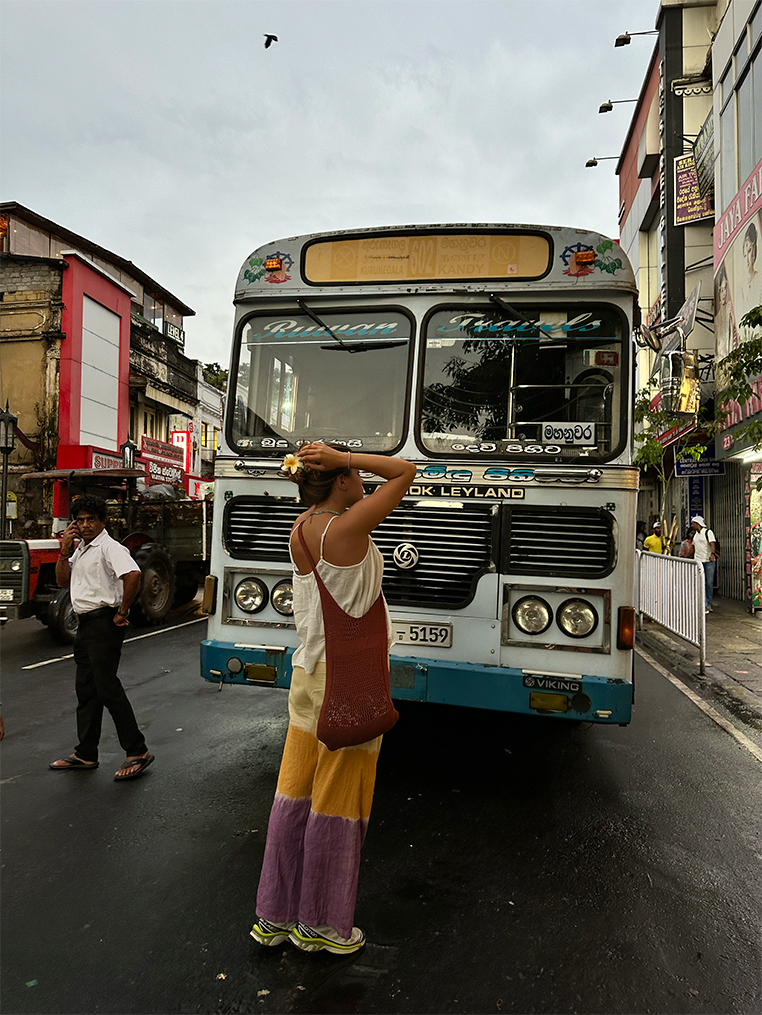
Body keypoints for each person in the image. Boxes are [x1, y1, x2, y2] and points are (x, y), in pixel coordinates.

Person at [250, 442, 416, 955]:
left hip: (310, 674)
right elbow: (406, 471)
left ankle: (274, 916)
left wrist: (341, 460)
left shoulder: (302, 529)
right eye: (351, 473)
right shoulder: (344, 530)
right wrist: (350, 456)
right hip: (348, 680)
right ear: (341, 479)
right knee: (339, 800)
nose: (361, 480)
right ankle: (321, 924)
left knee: (294, 794)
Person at [48, 495, 154, 781]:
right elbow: (61, 581)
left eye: (90, 519)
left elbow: (132, 574)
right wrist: (63, 551)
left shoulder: (110, 547)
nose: (85, 525)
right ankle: (85, 753)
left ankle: (137, 750)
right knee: (86, 690)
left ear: (102, 521)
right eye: (80, 520)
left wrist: (122, 611)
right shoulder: (81, 550)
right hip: (85, 625)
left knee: (107, 688)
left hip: (104, 622)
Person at [691, 514, 718, 613]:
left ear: (698, 524)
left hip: (708, 562)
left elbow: (712, 544)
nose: (692, 525)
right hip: (698, 561)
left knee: (709, 583)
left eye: (693, 523)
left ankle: (708, 604)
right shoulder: (696, 535)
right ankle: (702, 603)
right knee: (700, 583)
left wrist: (712, 554)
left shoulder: (708, 532)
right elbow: (694, 548)